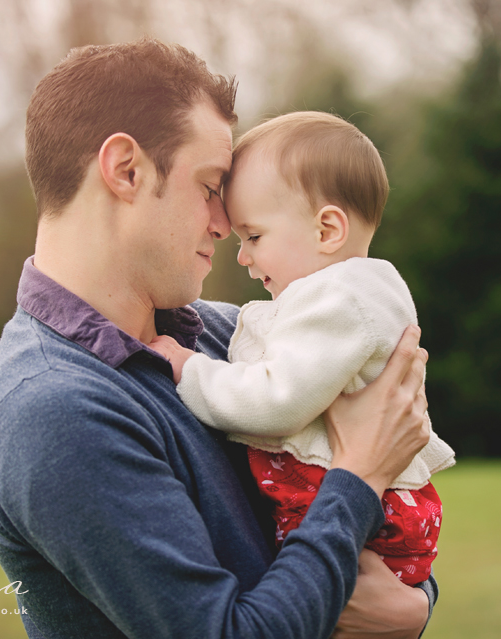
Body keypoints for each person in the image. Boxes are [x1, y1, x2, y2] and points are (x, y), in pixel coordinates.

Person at [0, 39, 435, 639]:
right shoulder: (50, 408)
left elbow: (395, 521)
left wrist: (415, 606)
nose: (224, 223)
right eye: (212, 187)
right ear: (126, 170)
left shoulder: (226, 332)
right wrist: (360, 475)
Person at [149, 111, 455, 587]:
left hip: (359, 513)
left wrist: (191, 370)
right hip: (369, 507)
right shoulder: (353, 295)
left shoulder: (339, 301)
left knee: (301, 606)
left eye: (254, 236)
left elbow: (275, 400)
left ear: (327, 230)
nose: (242, 256)